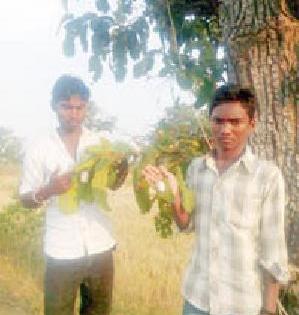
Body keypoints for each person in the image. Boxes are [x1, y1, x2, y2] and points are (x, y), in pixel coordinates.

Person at [142, 84, 288, 315]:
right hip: (197, 299)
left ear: (252, 123)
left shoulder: (267, 177)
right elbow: (185, 224)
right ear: (210, 121)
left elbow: (273, 251)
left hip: (241, 304)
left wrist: (269, 310)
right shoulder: (196, 169)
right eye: (218, 121)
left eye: (235, 122)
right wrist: (171, 195)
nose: (225, 130)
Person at [19, 74, 128, 315]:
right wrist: (50, 189)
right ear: (54, 107)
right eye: (66, 106)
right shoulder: (39, 147)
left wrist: (122, 170)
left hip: (101, 245)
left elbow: (113, 185)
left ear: (86, 108)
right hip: (61, 250)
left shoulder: (99, 143)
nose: (74, 113)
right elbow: (25, 198)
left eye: (80, 107)